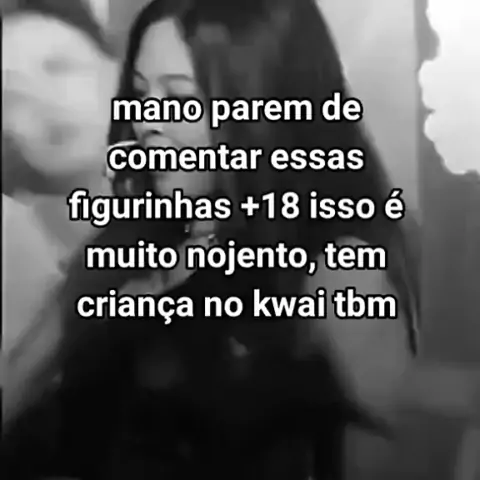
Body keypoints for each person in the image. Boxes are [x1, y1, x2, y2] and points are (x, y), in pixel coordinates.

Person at [4, 0, 420, 479]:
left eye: (179, 96)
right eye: (139, 92)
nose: (147, 121)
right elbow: (18, 385)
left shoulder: (338, 268)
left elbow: (397, 455)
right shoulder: (124, 242)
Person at [2, 0, 118, 428]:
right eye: (11, 95)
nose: (43, 102)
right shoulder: (15, 249)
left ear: (118, 70)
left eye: (59, 68)